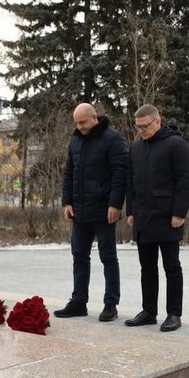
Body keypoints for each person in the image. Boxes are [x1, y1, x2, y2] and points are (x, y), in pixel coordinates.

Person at [124, 104, 189, 333]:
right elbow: (131, 182)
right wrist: (131, 211)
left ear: (157, 121)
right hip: (143, 217)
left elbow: (185, 181)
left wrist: (179, 213)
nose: (141, 131)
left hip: (167, 217)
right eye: (138, 127)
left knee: (171, 267)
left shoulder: (176, 144)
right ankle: (149, 311)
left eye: (145, 126)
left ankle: (174, 313)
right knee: (147, 267)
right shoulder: (135, 148)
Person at [55, 103, 129, 322]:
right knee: (79, 256)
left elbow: (121, 173)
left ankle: (110, 304)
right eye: (76, 123)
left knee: (108, 257)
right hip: (79, 210)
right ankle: (79, 302)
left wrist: (115, 204)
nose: (79, 126)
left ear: (94, 117)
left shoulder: (113, 139)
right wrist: (67, 202)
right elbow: (69, 172)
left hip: (104, 210)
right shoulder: (75, 139)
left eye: (83, 122)